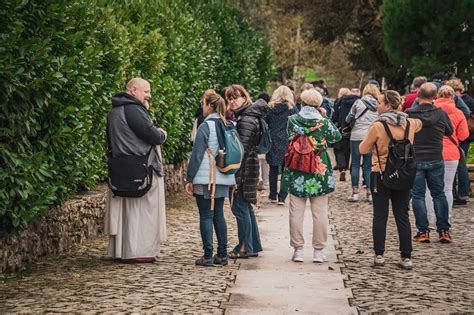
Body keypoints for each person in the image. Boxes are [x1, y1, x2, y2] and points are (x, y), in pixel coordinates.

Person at [104, 78, 167, 263]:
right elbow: (152, 135)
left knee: (125, 212)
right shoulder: (134, 109)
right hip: (141, 168)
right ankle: (139, 251)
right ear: (133, 90)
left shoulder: (114, 111)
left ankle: (122, 250)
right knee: (142, 211)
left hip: (120, 167)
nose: (149, 95)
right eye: (146, 91)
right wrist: (161, 133)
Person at [359, 90, 422, 270]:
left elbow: (363, 149)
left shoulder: (378, 126)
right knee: (402, 215)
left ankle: (379, 255)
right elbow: (420, 124)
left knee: (380, 215)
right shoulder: (409, 124)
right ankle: (406, 256)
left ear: (387, 105)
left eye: (379, 102)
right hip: (403, 174)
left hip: (380, 173)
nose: (377, 105)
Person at [281, 89, 341, 263]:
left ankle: (298, 249)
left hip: (297, 168)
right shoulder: (323, 122)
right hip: (318, 169)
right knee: (320, 212)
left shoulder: (292, 120)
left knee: (296, 212)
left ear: (302, 102)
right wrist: (325, 117)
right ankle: (318, 251)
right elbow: (336, 137)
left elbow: (288, 137)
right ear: (319, 104)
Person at [184, 90, 235, 266]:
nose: (202, 107)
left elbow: (197, 155)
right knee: (219, 214)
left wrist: (189, 178)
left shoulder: (205, 126)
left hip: (206, 177)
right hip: (223, 176)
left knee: (206, 215)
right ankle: (222, 255)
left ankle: (207, 255)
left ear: (209, 105)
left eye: (203, 103)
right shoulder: (227, 124)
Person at [406, 83, 454, 243]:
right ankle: (444, 231)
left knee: (418, 195)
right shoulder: (441, 113)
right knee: (439, 194)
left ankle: (423, 231)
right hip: (435, 157)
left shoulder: (410, 113)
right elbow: (450, 131)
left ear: (418, 95)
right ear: (435, 96)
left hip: (416, 158)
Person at [225, 84, 267, 258]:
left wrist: (235, 175)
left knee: (240, 207)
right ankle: (253, 245)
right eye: (229, 98)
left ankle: (244, 247)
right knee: (246, 207)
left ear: (244, 97)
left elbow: (239, 150)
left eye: (235, 97)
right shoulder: (246, 115)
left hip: (245, 169)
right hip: (249, 166)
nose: (232, 101)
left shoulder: (246, 119)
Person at [425, 86, 469, 228]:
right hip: (451, 153)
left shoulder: (431, 111)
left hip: (432, 151)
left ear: (437, 95)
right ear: (453, 96)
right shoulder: (458, 113)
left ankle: (431, 220)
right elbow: (463, 135)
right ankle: (446, 219)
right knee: (447, 188)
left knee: (429, 188)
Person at [345, 83, 380, 202]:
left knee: (355, 164)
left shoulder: (357, 103)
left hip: (356, 136)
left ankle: (355, 193)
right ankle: (370, 193)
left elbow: (348, 118)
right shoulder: (378, 104)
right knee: (368, 165)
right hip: (371, 136)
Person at [266, 86, 298, 204]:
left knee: (273, 169)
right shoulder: (292, 109)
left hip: (273, 140)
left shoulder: (270, 108)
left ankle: (272, 194)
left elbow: (266, 123)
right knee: (286, 170)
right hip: (288, 141)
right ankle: (282, 197)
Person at [446, 79, 474, 205]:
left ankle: (453, 193)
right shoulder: (469, 100)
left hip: (454, 135)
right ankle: (463, 194)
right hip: (466, 135)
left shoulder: (456, 100)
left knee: (453, 164)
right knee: (461, 164)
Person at [332, 88, 359, 181]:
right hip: (354, 129)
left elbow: (335, 116)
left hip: (341, 128)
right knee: (348, 149)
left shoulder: (339, 102)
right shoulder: (358, 102)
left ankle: (342, 167)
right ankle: (347, 166)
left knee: (339, 149)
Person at [257, 92, 271, 191]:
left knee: (257, 161)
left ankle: (258, 179)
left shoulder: (255, 108)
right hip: (266, 139)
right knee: (266, 162)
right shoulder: (269, 109)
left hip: (258, 139)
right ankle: (266, 182)